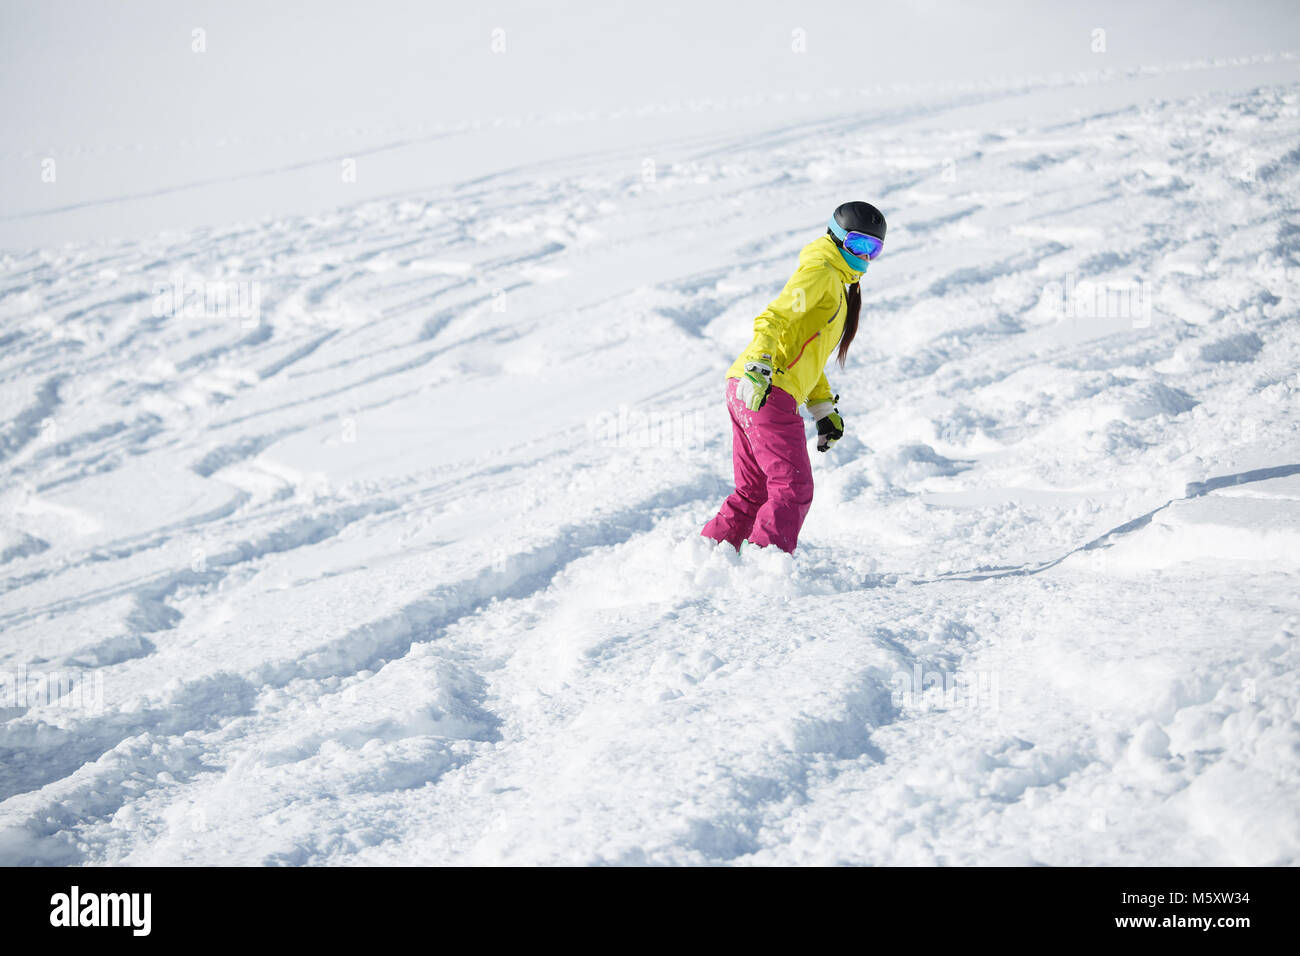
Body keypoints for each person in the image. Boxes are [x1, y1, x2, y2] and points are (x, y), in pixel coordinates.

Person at [701, 201, 886, 554]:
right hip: (765, 387)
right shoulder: (822, 271)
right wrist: (759, 363)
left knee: (753, 491)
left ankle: (707, 557)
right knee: (792, 488)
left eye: (873, 249)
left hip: (750, 387)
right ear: (837, 236)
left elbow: (806, 354)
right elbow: (776, 317)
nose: (865, 255)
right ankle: (763, 569)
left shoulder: (836, 283)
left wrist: (821, 407)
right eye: (858, 244)